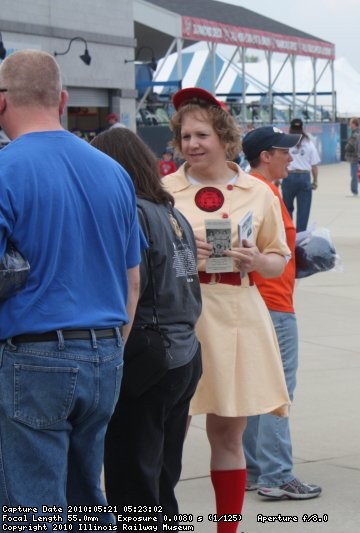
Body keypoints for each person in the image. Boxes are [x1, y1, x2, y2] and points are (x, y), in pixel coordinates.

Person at [0, 50, 141, 524]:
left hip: (35, 354)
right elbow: (132, 279)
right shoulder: (113, 171)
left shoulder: (6, 169)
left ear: (2, 104)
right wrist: (113, 346)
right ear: (61, 99)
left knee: (34, 505)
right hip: (104, 354)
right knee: (85, 495)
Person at [161, 87, 291, 533]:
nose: (192, 144)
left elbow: (280, 258)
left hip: (236, 311)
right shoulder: (164, 192)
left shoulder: (258, 192)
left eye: (201, 135)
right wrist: (183, 254)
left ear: (223, 137)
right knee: (166, 433)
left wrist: (258, 261)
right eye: (184, 137)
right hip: (180, 315)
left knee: (228, 433)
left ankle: (227, 529)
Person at [90, 127, 203, 520]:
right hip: (184, 352)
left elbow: (129, 288)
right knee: (162, 477)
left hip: (148, 355)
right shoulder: (172, 213)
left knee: (131, 482)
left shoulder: (133, 212)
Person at [241, 126, 322, 501]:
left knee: (255, 389)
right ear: (265, 156)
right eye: (285, 151)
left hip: (259, 300)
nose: (292, 156)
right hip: (272, 304)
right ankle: (276, 473)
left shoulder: (248, 191)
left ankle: (256, 469)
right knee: (276, 392)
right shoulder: (265, 194)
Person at [283, 118, 320, 232]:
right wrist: (315, 180)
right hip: (304, 177)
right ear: (302, 128)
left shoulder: (285, 141)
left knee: (287, 209)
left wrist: (278, 179)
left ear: (290, 127)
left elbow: (279, 161)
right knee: (303, 210)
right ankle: (300, 237)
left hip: (288, 176)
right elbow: (314, 165)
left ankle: (288, 234)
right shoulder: (308, 143)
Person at [343, 117, 360, 197]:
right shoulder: (359, 132)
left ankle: (355, 191)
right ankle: (356, 190)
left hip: (355, 157)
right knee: (355, 174)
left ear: (354, 124)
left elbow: (350, 146)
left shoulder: (355, 134)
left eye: (350, 123)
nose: (349, 125)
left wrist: (346, 147)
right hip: (358, 156)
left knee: (354, 175)